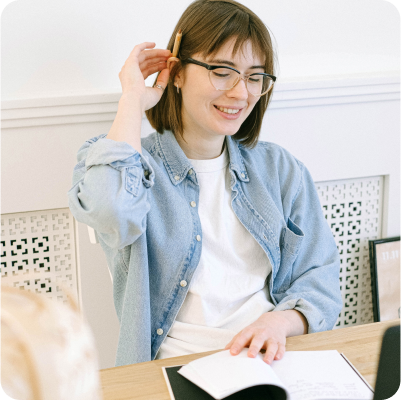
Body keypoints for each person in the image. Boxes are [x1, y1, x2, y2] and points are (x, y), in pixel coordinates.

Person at [68, 0, 342, 367]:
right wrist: (132, 99)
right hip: (176, 370)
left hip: (272, 361)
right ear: (176, 72)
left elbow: (320, 277)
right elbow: (110, 210)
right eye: (222, 71)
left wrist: (280, 321)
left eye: (254, 77)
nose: (240, 93)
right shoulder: (129, 165)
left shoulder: (280, 169)